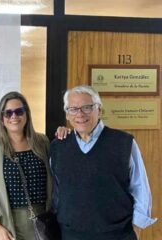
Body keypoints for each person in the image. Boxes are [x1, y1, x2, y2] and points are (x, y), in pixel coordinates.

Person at [50, 85, 157, 240]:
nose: (80, 114)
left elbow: (140, 188)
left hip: (117, 234)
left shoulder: (123, 143)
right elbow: (57, 191)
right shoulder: (58, 146)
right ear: (67, 114)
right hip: (70, 234)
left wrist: (136, 229)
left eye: (87, 107)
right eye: (73, 109)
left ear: (99, 110)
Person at [0, 91, 54, 240]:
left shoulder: (42, 142)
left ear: (27, 115)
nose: (14, 117)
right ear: (1, 118)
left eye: (19, 111)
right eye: (8, 113)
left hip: (41, 223)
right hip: (4, 224)